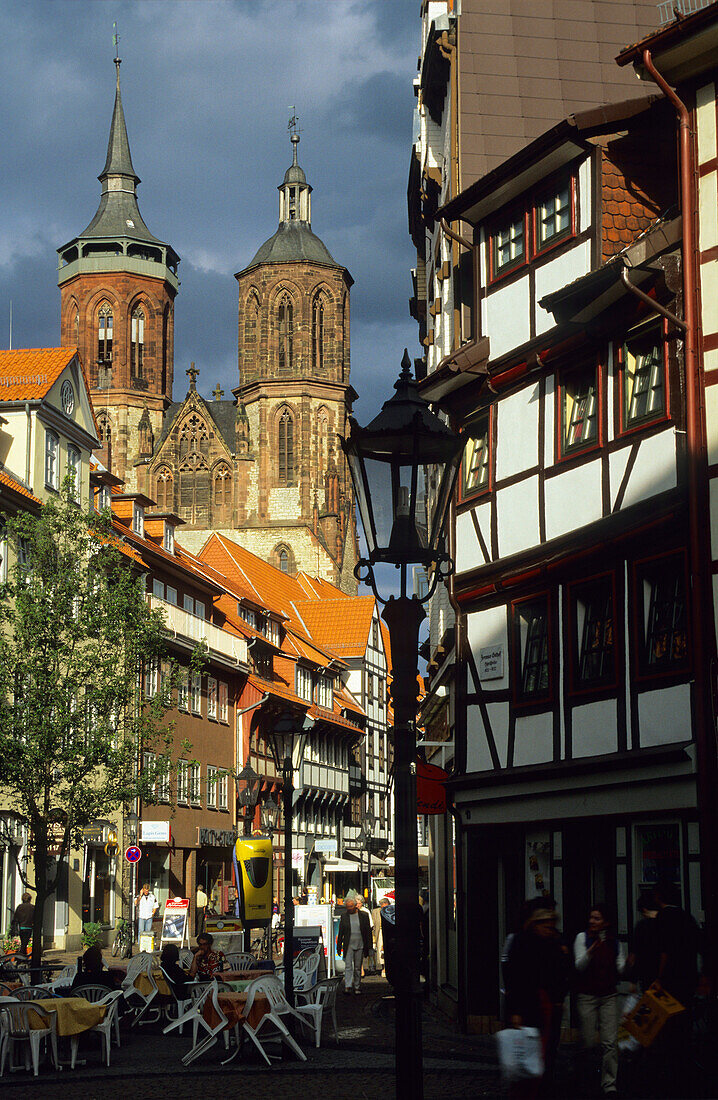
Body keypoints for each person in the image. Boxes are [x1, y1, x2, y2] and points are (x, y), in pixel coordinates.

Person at [504, 903, 572, 1099]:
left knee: (546, 1052)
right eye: (546, 925)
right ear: (536, 924)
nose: (549, 929)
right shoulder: (521, 941)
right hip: (527, 1005)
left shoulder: (554, 943)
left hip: (547, 1006)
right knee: (527, 1052)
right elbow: (514, 976)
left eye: (552, 926)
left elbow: (562, 972)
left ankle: (541, 1089)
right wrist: (515, 1011)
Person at [650, 881, 701, 1099]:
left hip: (670, 982)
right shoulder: (687, 917)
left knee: (667, 1033)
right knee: (684, 1030)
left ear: (659, 896)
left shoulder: (663, 917)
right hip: (688, 980)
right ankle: (686, 1079)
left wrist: (659, 978)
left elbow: (665, 950)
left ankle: (670, 1082)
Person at [574, 903, 626, 1097]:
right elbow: (579, 966)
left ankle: (609, 1083)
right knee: (587, 1042)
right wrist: (590, 952)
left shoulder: (614, 942)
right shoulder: (582, 938)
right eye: (591, 917)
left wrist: (626, 966)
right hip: (587, 996)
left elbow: (620, 968)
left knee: (610, 1042)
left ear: (606, 922)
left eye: (596, 918)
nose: (592, 921)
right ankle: (584, 1077)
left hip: (608, 996)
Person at [336, 895, 372, 995]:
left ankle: (357, 986)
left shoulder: (364, 915)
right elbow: (341, 932)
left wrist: (369, 947)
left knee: (357, 967)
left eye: (351, 906)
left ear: (355, 906)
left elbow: (368, 932)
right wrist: (339, 947)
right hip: (349, 945)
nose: (349, 909)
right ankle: (348, 986)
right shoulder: (344, 916)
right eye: (347, 907)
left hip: (360, 944)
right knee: (348, 966)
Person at [625, 891, 660, 993]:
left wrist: (633, 980)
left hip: (648, 974)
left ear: (644, 910)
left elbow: (637, 954)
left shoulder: (642, 926)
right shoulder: (667, 922)